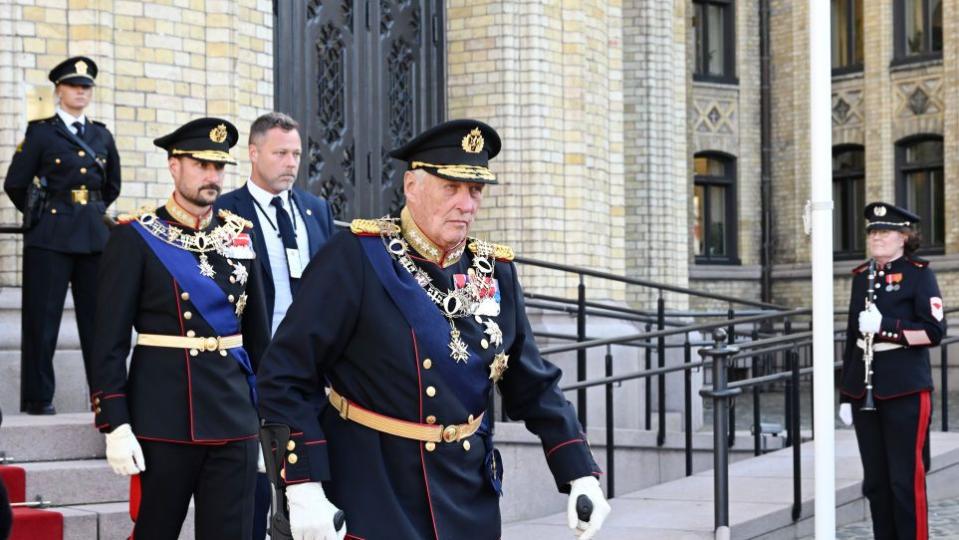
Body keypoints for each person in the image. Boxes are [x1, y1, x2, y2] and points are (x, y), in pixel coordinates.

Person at [256, 119, 612, 540]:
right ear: (411, 185)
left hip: (467, 497)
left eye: (475, 190)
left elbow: (532, 384)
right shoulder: (357, 258)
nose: (467, 204)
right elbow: (285, 375)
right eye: (451, 187)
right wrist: (303, 485)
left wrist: (579, 472)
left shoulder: (495, 273)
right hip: (376, 495)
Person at [88, 117, 270, 540]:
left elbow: (260, 341)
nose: (212, 177)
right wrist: (115, 423)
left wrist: (268, 419)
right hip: (164, 418)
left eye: (219, 167)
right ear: (174, 166)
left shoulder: (240, 237)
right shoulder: (136, 238)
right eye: (201, 165)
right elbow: (109, 343)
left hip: (234, 419)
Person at [215, 111, 336, 540]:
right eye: (280, 152)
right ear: (253, 153)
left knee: (309, 476)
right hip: (254, 364)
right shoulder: (226, 210)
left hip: (313, 368)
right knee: (255, 483)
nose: (291, 162)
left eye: (297, 154)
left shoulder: (315, 209)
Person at [3, 56, 121, 415]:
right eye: (73, 86)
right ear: (58, 91)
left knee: (98, 322)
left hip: (93, 237)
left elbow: (112, 185)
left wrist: (88, 213)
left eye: (86, 87)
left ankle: (104, 398)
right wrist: (41, 216)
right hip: (50, 237)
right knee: (42, 320)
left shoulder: (101, 134)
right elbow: (16, 183)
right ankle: (38, 399)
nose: (80, 92)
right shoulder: (40, 133)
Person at [838, 202, 945, 540]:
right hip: (864, 389)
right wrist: (844, 393)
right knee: (876, 482)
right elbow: (852, 337)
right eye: (872, 232)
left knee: (904, 480)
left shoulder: (919, 273)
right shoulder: (861, 277)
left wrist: (887, 327)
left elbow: (933, 332)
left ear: (903, 237)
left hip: (905, 389)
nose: (876, 238)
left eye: (884, 232)